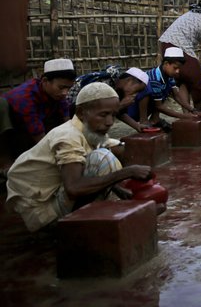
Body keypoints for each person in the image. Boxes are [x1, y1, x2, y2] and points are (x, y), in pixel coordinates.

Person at [5, 83, 155, 232]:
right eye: (103, 115)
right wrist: (126, 172)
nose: (110, 122)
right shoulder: (68, 136)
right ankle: (79, 226)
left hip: (54, 194)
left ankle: (94, 216)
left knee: (102, 155)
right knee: (103, 159)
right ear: (82, 113)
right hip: (43, 214)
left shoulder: (88, 130)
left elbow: (114, 146)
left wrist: (116, 187)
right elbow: (74, 188)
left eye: (113, 115)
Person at [1, 58, 76, 157]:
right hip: (12, 130)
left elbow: (66, 119)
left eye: (68, 88)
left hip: (35, 126)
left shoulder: (57, 95)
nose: (65, 93)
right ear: (45, 81)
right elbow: (37, 133)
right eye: (61, 87)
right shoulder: (26, 96)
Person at [128, 48, 201, 129]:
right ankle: (144, 120)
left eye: (179, 69)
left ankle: (155, 119)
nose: (177, 71)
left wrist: (193, 110)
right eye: (175, 68)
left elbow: (176, 96)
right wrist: (183, 116)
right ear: (166, 64)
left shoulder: (169, 77)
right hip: (132, 109)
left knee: (163, 89)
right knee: (149, 88)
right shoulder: (155, 78)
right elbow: (159, 106)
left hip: (148, 105)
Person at [66, 65, 150, 132]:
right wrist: (121, 105)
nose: (135, 94)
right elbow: (96, 112)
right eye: (137, 90)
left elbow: (121, 113)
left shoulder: (120, 90)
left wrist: (137, 126)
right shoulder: (104, 84)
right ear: (129, 81)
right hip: (70, 112)